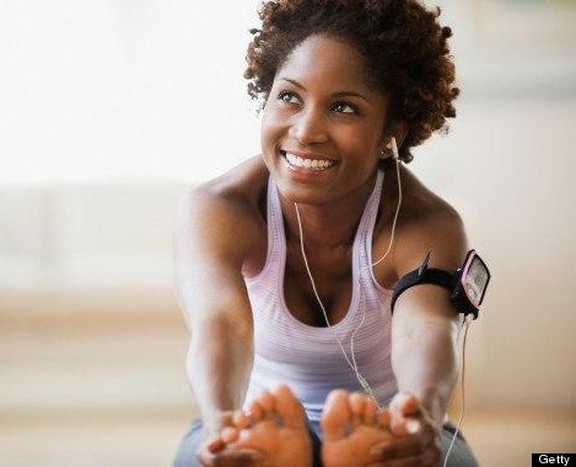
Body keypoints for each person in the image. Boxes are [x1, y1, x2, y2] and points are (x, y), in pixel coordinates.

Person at [173, 0, 479, 465]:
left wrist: (421, 415)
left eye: (343, 108)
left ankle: (362, 447)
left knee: (438, 459)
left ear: (390, 135)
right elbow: (221, 326)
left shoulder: (425, 223)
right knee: (203, 458)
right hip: (257, 420)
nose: (306, 131)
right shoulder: (220, 208)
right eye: (290, 97)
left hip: (383, 421)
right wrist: (222, 424)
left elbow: (425, 328)